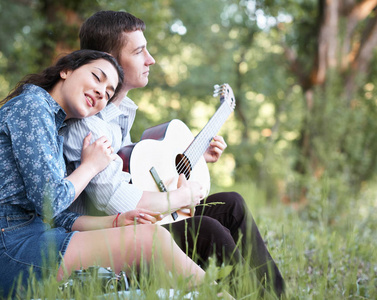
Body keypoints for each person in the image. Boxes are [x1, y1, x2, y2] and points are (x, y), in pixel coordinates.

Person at [59, 11, 285, 298]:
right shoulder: (88, 122)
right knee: (206, 229)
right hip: (106, 237)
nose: (150, 59)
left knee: (232, 204)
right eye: (140, 51)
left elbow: (135, 177)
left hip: (137, 219)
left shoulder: (119, 115)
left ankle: (276, 295)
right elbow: (116, 201)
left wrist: (193, 163)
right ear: (109, 60)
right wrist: (182, 197)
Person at [0, 49, 208, 298]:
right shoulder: (32, 108)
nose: (102, 92)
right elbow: (50, 201)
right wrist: (91, 166)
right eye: (97, 77)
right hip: (6, 250)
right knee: (150, 239)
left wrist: (114, 222)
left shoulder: (51, 123)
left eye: (109, 93)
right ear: (66, 70)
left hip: (27, 239)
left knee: (146, 245)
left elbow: (55, 216)